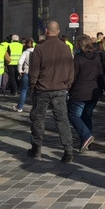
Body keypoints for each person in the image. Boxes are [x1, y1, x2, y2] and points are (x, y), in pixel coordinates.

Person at [27, 20, 74, 163]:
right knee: (62, 120)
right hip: (60, 89)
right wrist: (68, 83)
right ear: (58, 31)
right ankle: (68, 151)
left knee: (38, 118)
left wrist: (33, 85)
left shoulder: (39, 49)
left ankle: (37, 149)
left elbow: (33, 71)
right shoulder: (66, 48)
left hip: (42, 89)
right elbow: (71, 68)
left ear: (46, 31)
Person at [68, 34, 104, 152]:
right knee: (86, 115)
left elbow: (73, 75)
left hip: (80, 91)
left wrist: (69, 87)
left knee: (74, 115)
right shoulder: (96, 56)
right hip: (93, 91)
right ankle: (87, 141)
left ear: (79, 44)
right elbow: (100, 74)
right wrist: (101, 88)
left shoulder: (78, 58)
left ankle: (86, 136)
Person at [13, 38, 34, 112]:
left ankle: (20, 107)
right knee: (35, 91)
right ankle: (35, 107)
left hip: (26, 72)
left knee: (24, 90)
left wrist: (20, 70)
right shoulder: (37, 52)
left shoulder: (25, 52)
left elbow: (20, 62)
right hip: (35, 74)